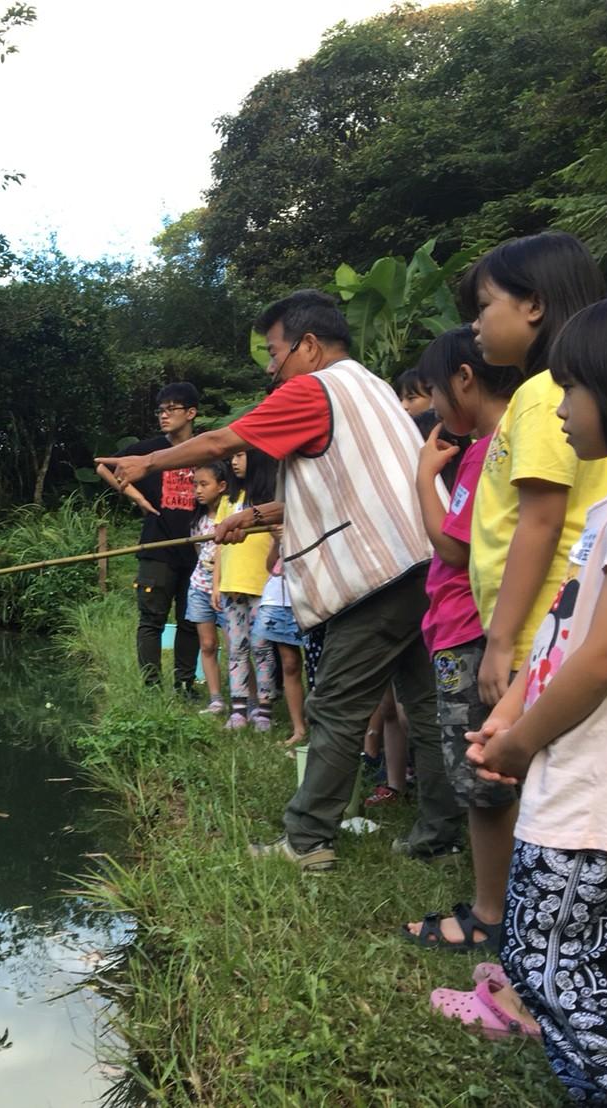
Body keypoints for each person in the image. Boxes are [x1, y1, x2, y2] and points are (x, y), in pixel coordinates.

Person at [98, 290, 462, 872]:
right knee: (426, 705)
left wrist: (146, 464)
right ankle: (442, 833)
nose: (272, 366)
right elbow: (349, 486)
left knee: (336, 705)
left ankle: (307, 840)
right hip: (427, 561)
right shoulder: (372, 389)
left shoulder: (315, 388)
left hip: (379, 574)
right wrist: (255, 516)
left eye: (275, 352)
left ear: (309, 346)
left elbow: (223, 441)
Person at [457, 290, 607, 1101]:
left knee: (551, 967)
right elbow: (564, 630)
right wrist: (509, 710)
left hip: (600, 797)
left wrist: (519, 747)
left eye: (575, 389)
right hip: (583, 787)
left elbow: (601, 659)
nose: (559, 408)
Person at [406, 231, 607, 948]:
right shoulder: (568, 392)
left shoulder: (540, 394)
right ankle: (524, 920)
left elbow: (540, 518)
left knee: (502, 774)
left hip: (532, 633)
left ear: (534, 305)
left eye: (485, 305)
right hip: (547, 626)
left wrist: (500, 643)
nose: (474, 323)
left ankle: (498, 921)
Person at [397, 327, 523, 952]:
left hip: (468, 629)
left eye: (435, 394)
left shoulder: (485, 452)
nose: (434, 410)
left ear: (464, 381)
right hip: (471, 627)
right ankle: (503, 905)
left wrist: (425, 476)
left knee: (480, 776)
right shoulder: (494, 446)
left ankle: (490, 914)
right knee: (488, 773)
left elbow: (452, 544)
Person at [95, 383, 201, 693]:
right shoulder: (149, 448)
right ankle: (152, 686)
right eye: (160, 410)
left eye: (171, 409)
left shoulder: (203, 448)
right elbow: (104, 465)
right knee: (152, 618)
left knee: (190, 621)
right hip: (157, 546)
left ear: (191, 412)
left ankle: (185, 684)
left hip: (197, 548)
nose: (164, 416)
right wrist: (136, 498)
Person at [217, 449, 279, 731]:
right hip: (231, 585)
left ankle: (264, 707)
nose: (234, 461)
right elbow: (218, 545)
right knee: (236, 648)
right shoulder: (228, 500)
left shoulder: (270, 503)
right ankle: (239, 708)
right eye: (233, 456)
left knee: (262, 647)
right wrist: (217, 583)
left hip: (261, 585)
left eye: (241, 455)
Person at [184, 460, 232, 714]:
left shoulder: (233, 515)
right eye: (195, 485)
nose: (198, 490)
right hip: (199, 586)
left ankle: (248, 699)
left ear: (222, 486)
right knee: (207, 644)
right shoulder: (198, 519)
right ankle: (215, 699)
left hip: (227, 588)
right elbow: (199, 552)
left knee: (236, 646)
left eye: (204, 484)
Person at [254, 533, 306, 747]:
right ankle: (299, 728)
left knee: (319, 665)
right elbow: (270, 566)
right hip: (278, 598)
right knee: (290, 664)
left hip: (309, 596)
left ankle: (321, 723)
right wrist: (276, 541)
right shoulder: (281, 524)